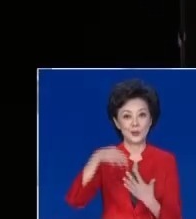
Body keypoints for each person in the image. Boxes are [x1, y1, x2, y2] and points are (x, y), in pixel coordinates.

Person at [65, 79, 182, 219]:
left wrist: (150, 200)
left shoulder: (166, 160)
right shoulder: (106, 157)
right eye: (127, 116)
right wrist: (95, 159)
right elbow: (76, 200)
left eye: (142, 115)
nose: (135, 123)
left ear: (150, 120)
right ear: (117, 122)